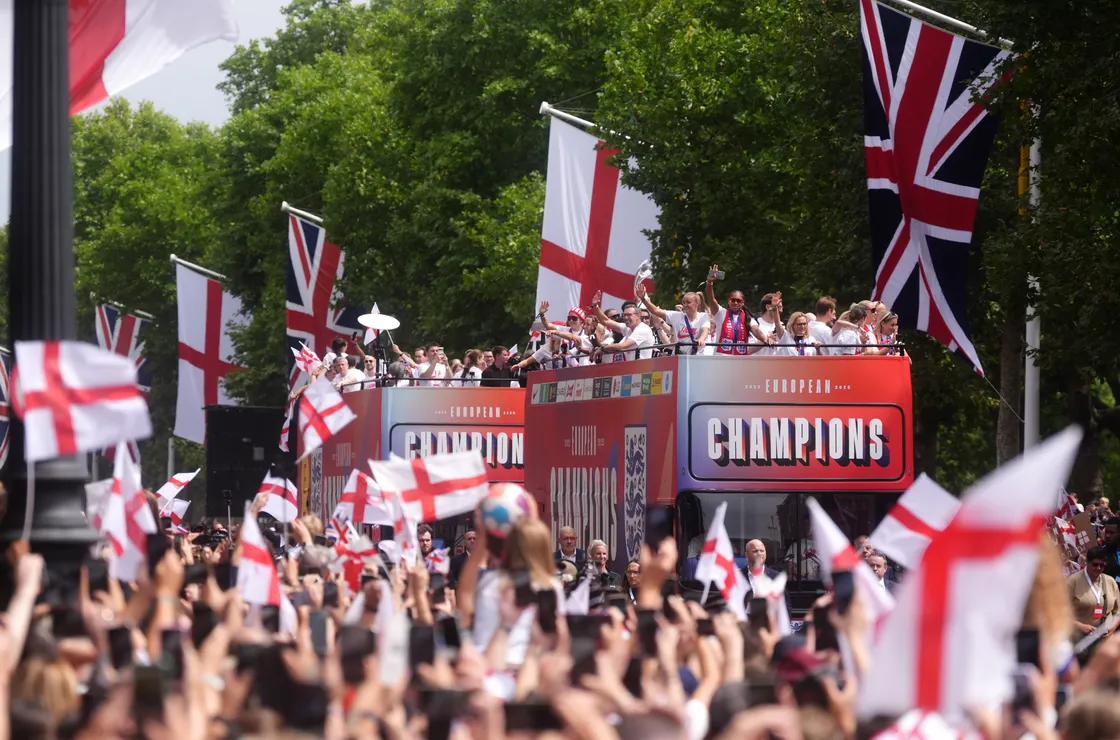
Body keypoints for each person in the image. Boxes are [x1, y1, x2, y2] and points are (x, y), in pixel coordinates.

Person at [703, 264, 769, 355]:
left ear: (743, 303)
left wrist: (766, 339)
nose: (735, 303)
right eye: (732, 300)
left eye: (739, 301)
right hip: (721, 358)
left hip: (739, 359)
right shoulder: (721, 313)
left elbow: (756, 331)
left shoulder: (747, 317)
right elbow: (711, 299)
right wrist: (709, 283)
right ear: (728, 301)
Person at [636, 283, 711, 354]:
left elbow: (705, 331)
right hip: (679, 357)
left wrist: (701, 339)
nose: (685, 305)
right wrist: (643, 299)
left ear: (697, 303)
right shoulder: (676, 316)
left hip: (696, 357)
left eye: (688, 302)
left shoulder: (703, 316)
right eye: (683, 302)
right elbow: (655, 311)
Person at [1069, 546, 1120, 640]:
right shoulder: (1073, 581)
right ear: (1087, 562)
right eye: (1095, 564)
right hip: (1083, 640)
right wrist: (1080, 626)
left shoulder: (1110, 581)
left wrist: (1113, 628)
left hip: (1107, 638)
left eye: (1102, 565)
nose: (1099, 568)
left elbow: (1118, 611)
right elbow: (1059, 612)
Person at [590, 291, 655, 361]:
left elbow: (622, 346)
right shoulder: (628, 328)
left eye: (629, 315)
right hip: (631, 368)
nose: (626, 318)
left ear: (638, 316)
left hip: (643, 369)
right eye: (624, 315)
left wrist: (602, 348)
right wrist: (595, 306)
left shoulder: (642, 329)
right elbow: (606, 321)